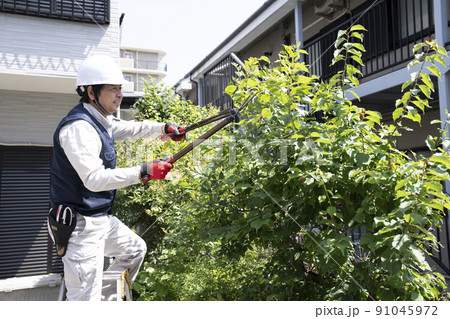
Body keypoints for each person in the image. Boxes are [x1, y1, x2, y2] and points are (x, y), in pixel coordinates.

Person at [48, 55, 185, 301]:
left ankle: (104, 299)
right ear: (92, 92)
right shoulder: (79, 128)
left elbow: (133, 129)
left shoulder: (103, 121)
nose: (119, 94)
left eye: (120, 88)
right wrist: (144, 171)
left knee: (135, 250)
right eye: (113, 89)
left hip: (100, 220)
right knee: (83, 300)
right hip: (80, 227)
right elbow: (94, 179)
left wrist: (163, 128)